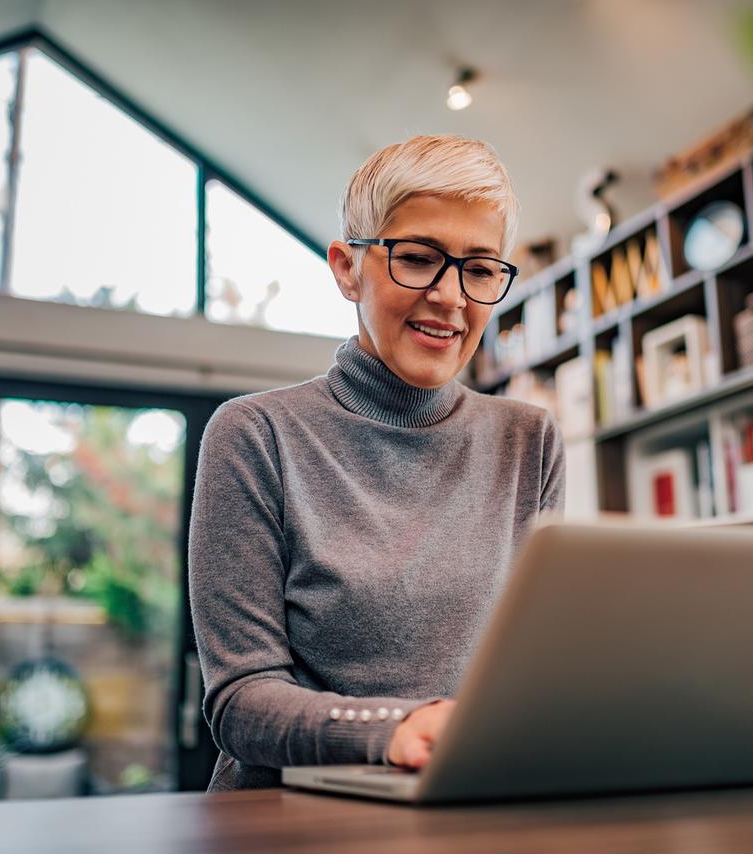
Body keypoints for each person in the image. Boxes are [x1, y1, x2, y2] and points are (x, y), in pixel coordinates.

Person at [188, 135, 565, 791]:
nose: (451, 298)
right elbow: (239, 702)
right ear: (346, 268)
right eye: (418, 259)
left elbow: (539, 668)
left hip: (469, 807)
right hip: (291, 821)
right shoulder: (256, 434)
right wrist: (395, 730)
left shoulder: (529, 441)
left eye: (479, 270)